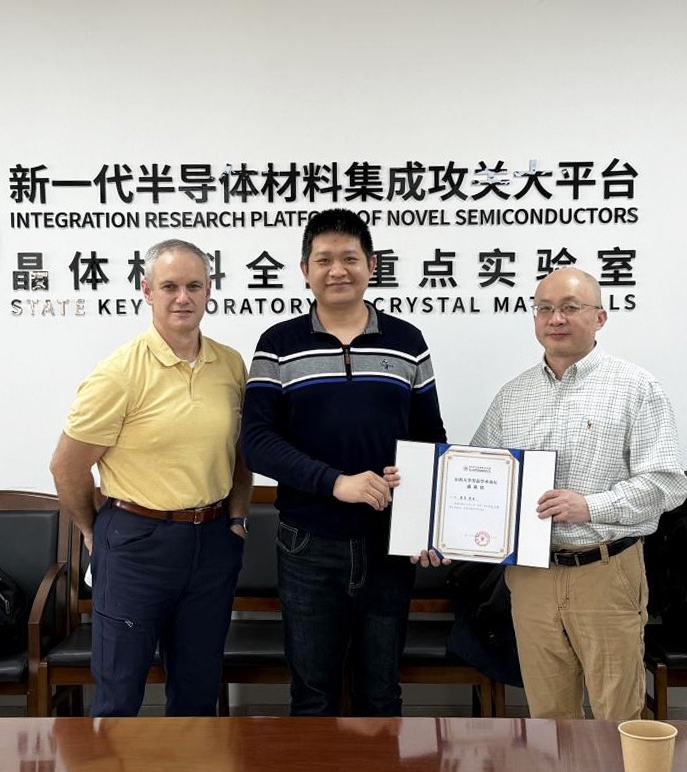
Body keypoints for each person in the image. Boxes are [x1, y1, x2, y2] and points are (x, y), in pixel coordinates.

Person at [241, 208, 447, 716]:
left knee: (382, 692)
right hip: (307, 542)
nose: (338, 270)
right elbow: (256, 442)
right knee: (313, 695)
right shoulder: (278, 345)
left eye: (350, 258)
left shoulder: (407, 342)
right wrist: (334, 482)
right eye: (324, 259)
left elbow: (431, 438)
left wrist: (420, 498)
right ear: (305, 270)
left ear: (372, 265)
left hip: (389, 544)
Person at [470, 266, 687, 720]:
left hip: (604, 570)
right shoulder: (512, 396)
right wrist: (436, 523)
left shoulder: (636, 388)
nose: (556, 319)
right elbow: (480, 477)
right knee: (549, 717)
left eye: (570, 307)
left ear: (600, 317)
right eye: (544, 308)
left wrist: (589, 506)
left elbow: (667, 483)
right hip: (530, 577)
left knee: (618, 717)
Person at [49, 238, 251, 717]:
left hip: (212, 541)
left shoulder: (230, 364)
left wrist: (238, 518)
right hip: (136, 543)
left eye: (194, 286)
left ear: (209, 291)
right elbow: (66, 466)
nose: (183, 297)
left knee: (198, 692)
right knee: (119, 696)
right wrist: (91, 530)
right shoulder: (119, 372)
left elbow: (241, 450)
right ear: (147, 291)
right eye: (170, 287)